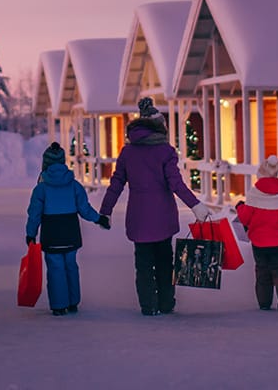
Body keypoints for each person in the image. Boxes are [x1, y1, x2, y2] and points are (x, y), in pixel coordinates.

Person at [100, 97, 212, 316]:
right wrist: (195, 205)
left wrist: (106, 211)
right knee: (164, 262)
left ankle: (148, 305)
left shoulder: (128, 152)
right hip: (162, 218)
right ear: (159, 126)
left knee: (143, 265)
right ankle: (166, 303)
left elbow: (116, 184)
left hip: (139, 219)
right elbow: (176, 183)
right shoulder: (165, 151)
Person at [26, 142, 110, 316]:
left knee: (55, 267)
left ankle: (59, 305)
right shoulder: (74, 186)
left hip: (52, 234)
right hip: (71, 233)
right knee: (71, 265)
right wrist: (99, 219)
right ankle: (73, 302)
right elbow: (84, 209)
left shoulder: (41, 189)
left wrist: (31, 234)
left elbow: (34, 214)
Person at [235, 155, 278, 311]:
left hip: (258, 242)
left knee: (262, 271)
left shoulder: (254, 194)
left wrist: (240, 207)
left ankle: (264, 302)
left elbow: (244, 218)